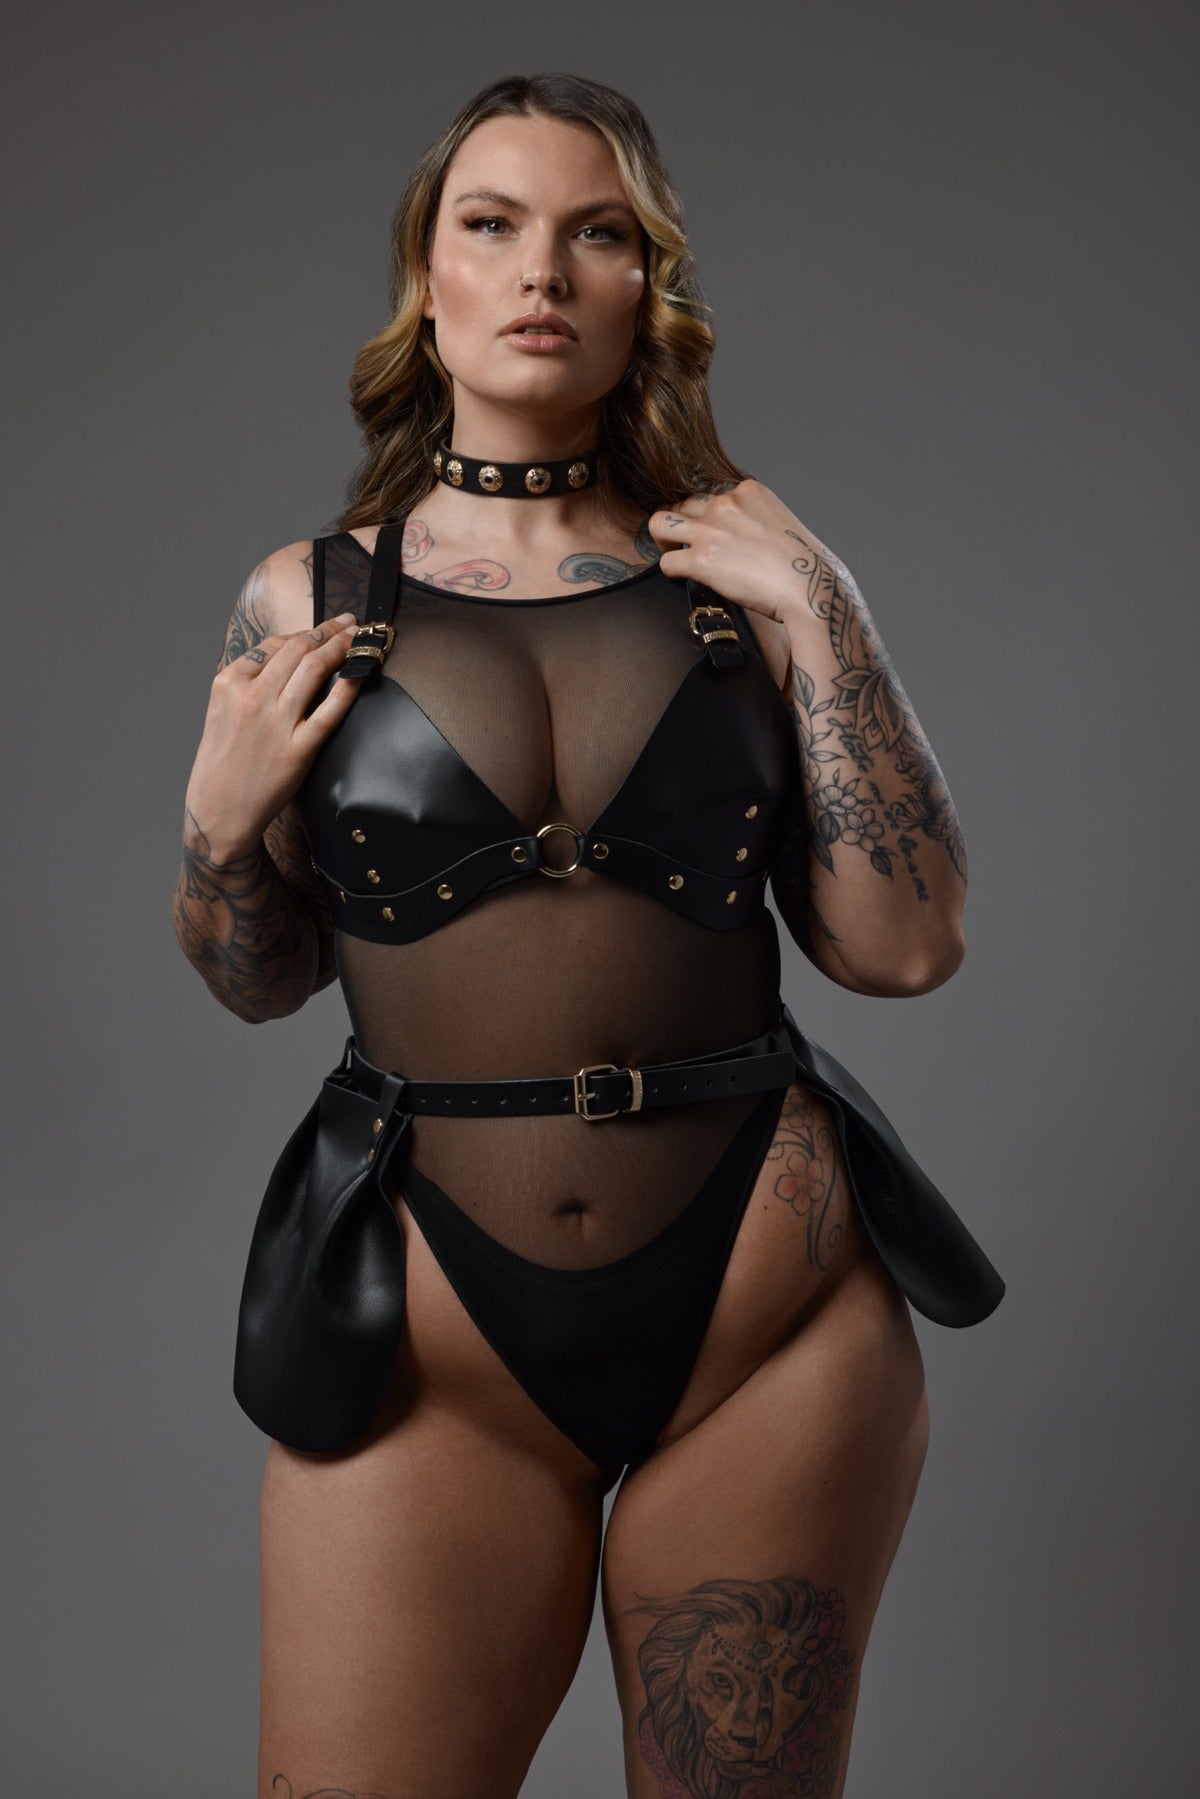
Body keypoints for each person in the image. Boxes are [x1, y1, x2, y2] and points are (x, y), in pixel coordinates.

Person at [173, 71, 1002, 1799]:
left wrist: (830, 606)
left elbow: (905, 949)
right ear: (429, 280)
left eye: (596, 231)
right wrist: (218, 836)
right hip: (431, 1332)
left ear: (649, 287)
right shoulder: (305, 599)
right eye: (493, 225)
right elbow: (259, 981)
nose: (542, 269)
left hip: (768, 1321)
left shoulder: (749, 583)